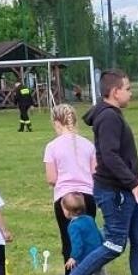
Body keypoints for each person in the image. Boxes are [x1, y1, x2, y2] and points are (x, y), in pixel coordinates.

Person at [52, 70, 138, 275]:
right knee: (114, 244)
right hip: (115, 192)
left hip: (124, 188)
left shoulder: (110, 115)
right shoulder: (109, 118)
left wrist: (137, 175)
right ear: (115, 92)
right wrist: (132, 183)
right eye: (128, 89)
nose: (131, 93)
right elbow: (109, 156)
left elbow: (118, 154)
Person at [43, 103, 97, 265]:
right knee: (88, 236)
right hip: (87, 196)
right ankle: (91, 274)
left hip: (64, 198)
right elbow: (95, 172)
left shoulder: (52, 147)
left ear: (57, 123)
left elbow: (51, 178)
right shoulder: (88, 144)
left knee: (69, 237)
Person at [60, 192, 115, 275]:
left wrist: (73, 257)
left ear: (67, 211)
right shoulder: (89, 218)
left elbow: (77, 244)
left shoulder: (73, 226)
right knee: (101, 271)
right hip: (98, 252)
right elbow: (98, 232)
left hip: (86, 256)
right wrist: (103, 245)